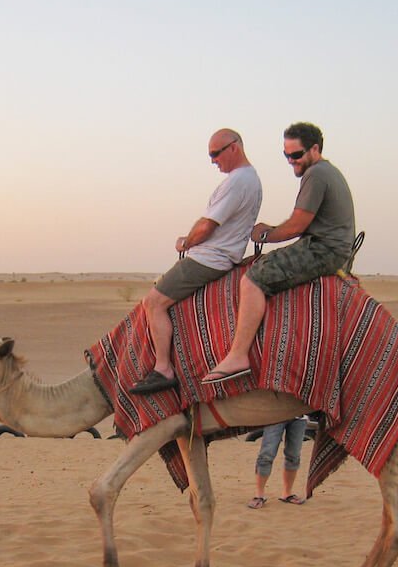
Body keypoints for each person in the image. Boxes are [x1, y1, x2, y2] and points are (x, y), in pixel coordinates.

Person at [202, 122, 356, 384]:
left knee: (253, 279)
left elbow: (297, 225)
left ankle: (238, 355)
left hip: (323, 250)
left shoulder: (316, 175)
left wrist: (265, 234)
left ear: (315, 149)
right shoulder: (327, 172)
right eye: (286, 155)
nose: (291, 161)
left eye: (296, 155)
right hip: (330, 246)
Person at [129, 128, 263, 394]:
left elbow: (207, 225)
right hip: (221, 255)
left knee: (153, 303)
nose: (213, 160)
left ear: (234, 147)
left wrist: (187, 242)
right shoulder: (251, 179)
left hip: (210, 258)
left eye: (216, 153)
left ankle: (163, 368)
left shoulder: (238, 181)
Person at [246, 416, 308, 508]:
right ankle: (259, 495)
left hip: (300, 416)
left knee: (294, 456)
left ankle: (287, 494)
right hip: (276, 414)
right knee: (266, 455)